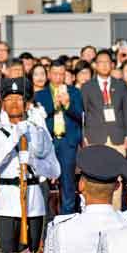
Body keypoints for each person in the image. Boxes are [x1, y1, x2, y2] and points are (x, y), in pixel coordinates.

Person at [0, 80, 58, 253]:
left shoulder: (38, 131)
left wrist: (34, 162)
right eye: (9, 99)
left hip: (34, 200)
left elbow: (55, 169)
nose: (14, 103)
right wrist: (14, 137)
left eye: (19, 99)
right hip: (6, 201)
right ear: (3, 105)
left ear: (26, 105)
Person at [34, 60, 83, 215]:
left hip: (67, 143)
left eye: (62, 74)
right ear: (49, 74)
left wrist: (67, 105)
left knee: (67, 184)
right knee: (45, 184)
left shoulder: (74, 92)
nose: (58, 77)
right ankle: (47, 219)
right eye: (55, 73)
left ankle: (66, 217)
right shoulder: (40, 94)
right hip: (48, 143)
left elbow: (80, 115)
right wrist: (55, 105)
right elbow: (39, 116)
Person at [81, 50, 127, 175]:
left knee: (117, 174)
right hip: (95, 137)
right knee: (97, 173)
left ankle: (116, 196)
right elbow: (84, 113)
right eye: (101, 62)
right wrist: (84, 136)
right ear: (95, 65)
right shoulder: (87, 87)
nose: (104, 65)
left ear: (112, 65)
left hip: (118, 137)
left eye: (107, 62)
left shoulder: (121, 85)